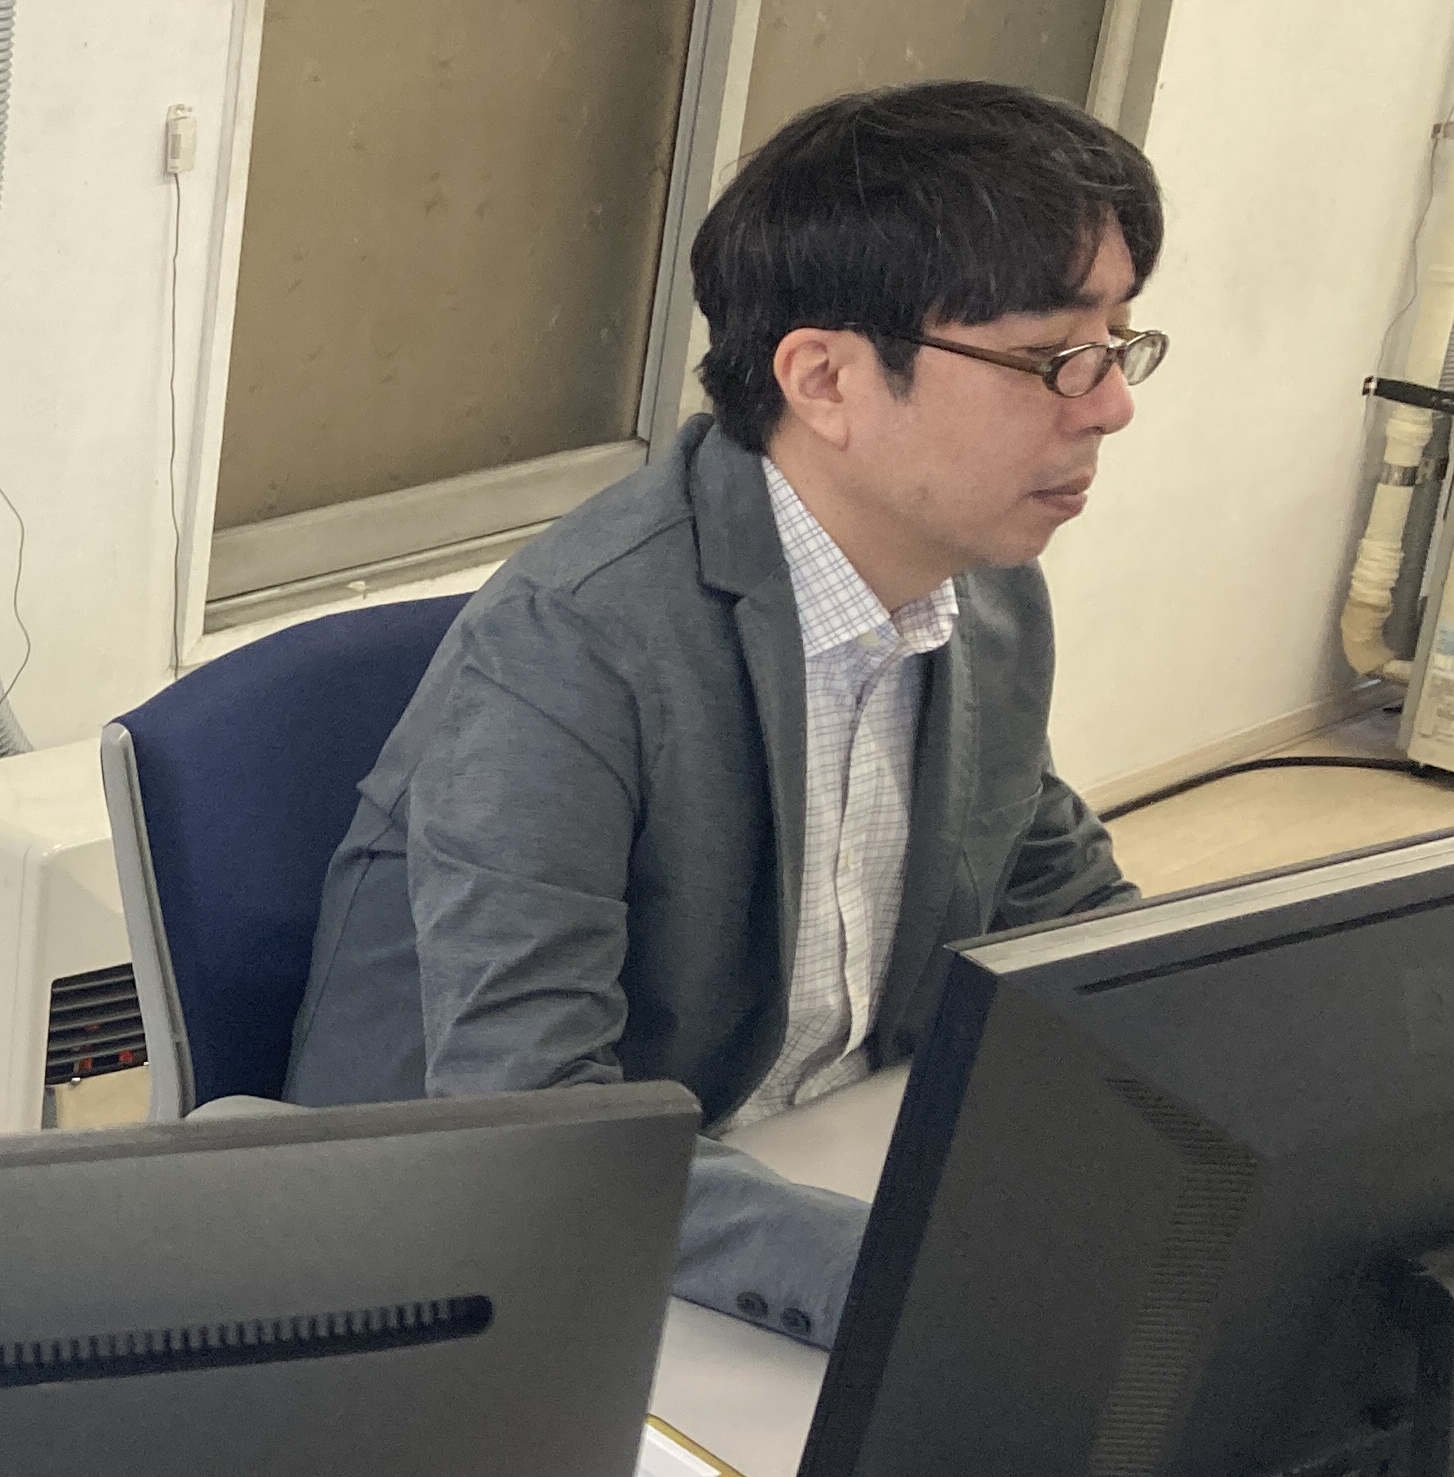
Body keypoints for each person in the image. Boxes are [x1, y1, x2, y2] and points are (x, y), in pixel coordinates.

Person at [285, 81, 1154, 1339]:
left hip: (788, 1168)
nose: (1111, 402)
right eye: (1055, 356)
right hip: (474, 1261)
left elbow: (1063, 916)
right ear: (825, 378)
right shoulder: (576, 642)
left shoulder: (987, 592)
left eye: (1119, 342)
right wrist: (911, 1283)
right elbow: (538, 1121)